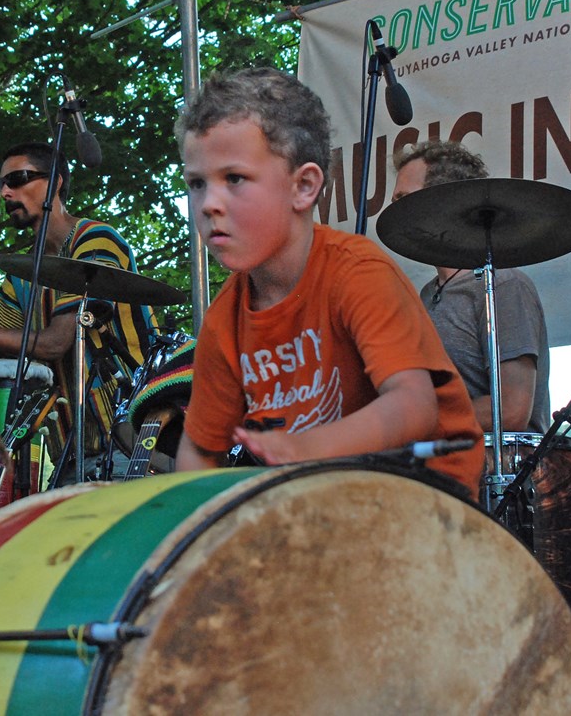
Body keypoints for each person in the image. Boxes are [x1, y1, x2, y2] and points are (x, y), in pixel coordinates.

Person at [173, 67, 483, 497]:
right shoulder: (225, 318)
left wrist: (304, 448)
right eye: (197, 184)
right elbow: (199, 449)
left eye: (235, 179)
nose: (209, 204)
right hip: (323, 496)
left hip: (426, 495)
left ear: (304, 186)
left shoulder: (356, 271)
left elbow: (413, 406)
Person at [0, 142, 154, 476]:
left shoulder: (95, 240)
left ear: (56, 182)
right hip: (69, 453)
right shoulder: (21, 275)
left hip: (130, 440)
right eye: (1, 184)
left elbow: (55, 343)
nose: (5, 192)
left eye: (18, 179)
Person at [390, 141, 550, 433]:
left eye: (404, 199)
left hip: (498, 472)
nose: (393, 211)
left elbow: (512, 410)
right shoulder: (427, 294)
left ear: (444, 202)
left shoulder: (503, 284)